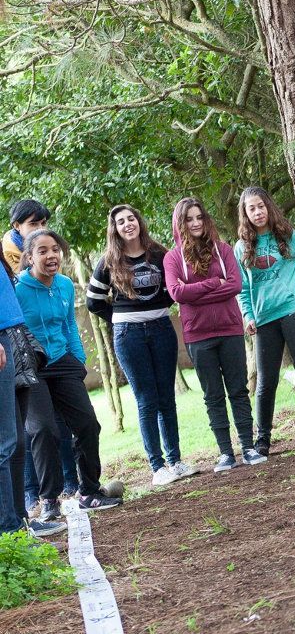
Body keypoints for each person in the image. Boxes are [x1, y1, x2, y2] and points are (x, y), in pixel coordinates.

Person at [87, 205, 197, 486]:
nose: (127, 224)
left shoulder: (159, 254)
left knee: (166, 397)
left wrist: (159, 307)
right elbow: (93, 301)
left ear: (139, 221)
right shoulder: (108, 261)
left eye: (131, 218)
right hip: (129, 335)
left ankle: (176, 461)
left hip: (161, 328)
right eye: (121, 221)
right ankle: (157, 467)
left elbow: (175, 287)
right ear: (115, 228)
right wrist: (121, 318)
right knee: (146, 400)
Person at [15, 229, 121, 514]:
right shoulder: (18, 289)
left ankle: (89, 492)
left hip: (63, 362)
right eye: (42, 251)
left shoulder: (63, 285)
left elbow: (69, 325)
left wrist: (78, 359)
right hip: (31, 366)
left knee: (87, 424)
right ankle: (49, 500)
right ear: (29, 257)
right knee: (44, 430)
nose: (51, 256)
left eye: (55, 249)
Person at [164, 197, 267, 473]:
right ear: (180, 223)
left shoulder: (223, 249)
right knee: (213, 396)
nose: (196, 223)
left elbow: (235, 285)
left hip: (229, 329)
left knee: (238, 390)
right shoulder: (172, 258)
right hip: (198, 336)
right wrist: (212, 284)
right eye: (189, 219)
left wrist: (196, 292)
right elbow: (177, 293)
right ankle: (225, 453)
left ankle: (247, 447)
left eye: (199, 217)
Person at [234, 187, 295, 453]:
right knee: (265, 381)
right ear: (245, 214)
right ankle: (262, 438)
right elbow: (243, 288)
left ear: (268, 207)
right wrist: (248, 315)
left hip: (294, 311)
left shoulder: (286, 236)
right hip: (264, 320)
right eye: (251, 208)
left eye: (261, 206)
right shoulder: (242, 247)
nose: (258, 212)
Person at [5, 201, 77, 512]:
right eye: (34, 223)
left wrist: (75, 356)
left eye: (44, 222)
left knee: (54, 426)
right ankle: (32, 497)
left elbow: (67, 321)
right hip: (19, 356)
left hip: (54, 359)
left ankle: (69, 486)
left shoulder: (58, 277)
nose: (41, 228)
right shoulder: (9, 261)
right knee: (28, 429)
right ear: (17, 226)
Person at [0, 258, 64, 538]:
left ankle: (20, 521)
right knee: (3, 444)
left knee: (15, 442)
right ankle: (9, 529)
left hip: (12, 339)